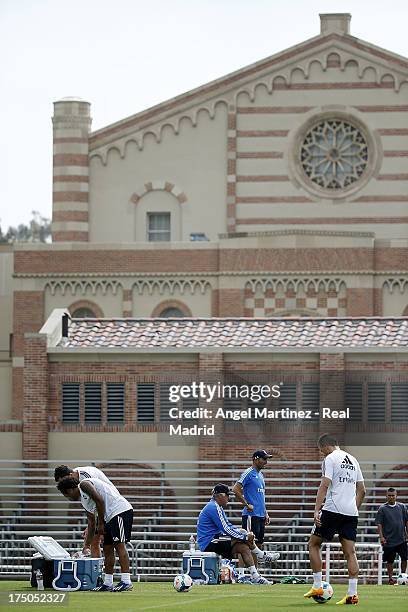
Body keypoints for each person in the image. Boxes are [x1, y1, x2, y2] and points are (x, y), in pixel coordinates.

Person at [304, 434, 366, 606]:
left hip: (332, 509)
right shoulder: (354, 460)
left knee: (313, 544)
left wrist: (317, 510)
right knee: (350, 553)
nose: (321, 454)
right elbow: (362, 490)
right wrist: (353, 508)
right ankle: (352, 595)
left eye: (321, 450)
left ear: (326, 446)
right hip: (351, 513)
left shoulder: (330, 459)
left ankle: (317, 585)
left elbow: (324, 485)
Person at [57, 476, 134, 592]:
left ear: (69, 490)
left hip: (119, 511)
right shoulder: (84, 501)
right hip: (109, 517)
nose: (68, 498)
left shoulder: (84, 484)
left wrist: (101, 524)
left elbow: (99, 500)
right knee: (107, 548)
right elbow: (91, 522)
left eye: (67, 495)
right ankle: (108, 583)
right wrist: (86, 545)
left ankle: (126, 581)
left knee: (119, 545)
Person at [196, 483, 275, 584]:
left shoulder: (216, 506)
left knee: (243, 547)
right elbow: (226, 528)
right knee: (243, 536)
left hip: (214, 539)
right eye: (227, 495)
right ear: (220, 495)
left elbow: (228, 526)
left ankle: (256, 576)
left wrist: (242, 534)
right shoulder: (213, 507)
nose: (228, 498)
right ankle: (260, 554)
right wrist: (245, 536)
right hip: (209, 542)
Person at [232, 449, 279, 580]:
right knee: (245, 545)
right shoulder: (248, 473)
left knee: (257, 545)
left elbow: (261, 496)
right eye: (264, 459)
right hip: (250, 516)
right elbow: (235, 489)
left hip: (260, 515)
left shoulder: (261, 475)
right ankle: (241, 575)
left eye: (267, 459)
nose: (266, 462)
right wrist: (246, 504)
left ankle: (255, 575)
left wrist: (266, 512)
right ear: (256, 459)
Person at [54, 464, 119, 557]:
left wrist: (95, 525)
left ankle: (98, 567)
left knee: (96, 540)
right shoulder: (76, 480)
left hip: (111, 505)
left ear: (70, 475)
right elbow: (90, 506)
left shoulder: (85, 479)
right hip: (103, 506)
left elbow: (98, 500)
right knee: (93, 540)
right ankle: (96, 567)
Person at [375, 487, 408, 584]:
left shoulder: (402, 507)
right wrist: (381, 536)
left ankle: (403, 576)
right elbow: (379, 523)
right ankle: (390, 578)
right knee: (390, 561)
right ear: (386, 496)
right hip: (389, 540)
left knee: (404, 558)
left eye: (393, 495)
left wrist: (407, 533)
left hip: (401, 538)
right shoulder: (382, 509)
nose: (391, 497)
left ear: (396, 496)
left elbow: (406, 521)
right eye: (389, 495)